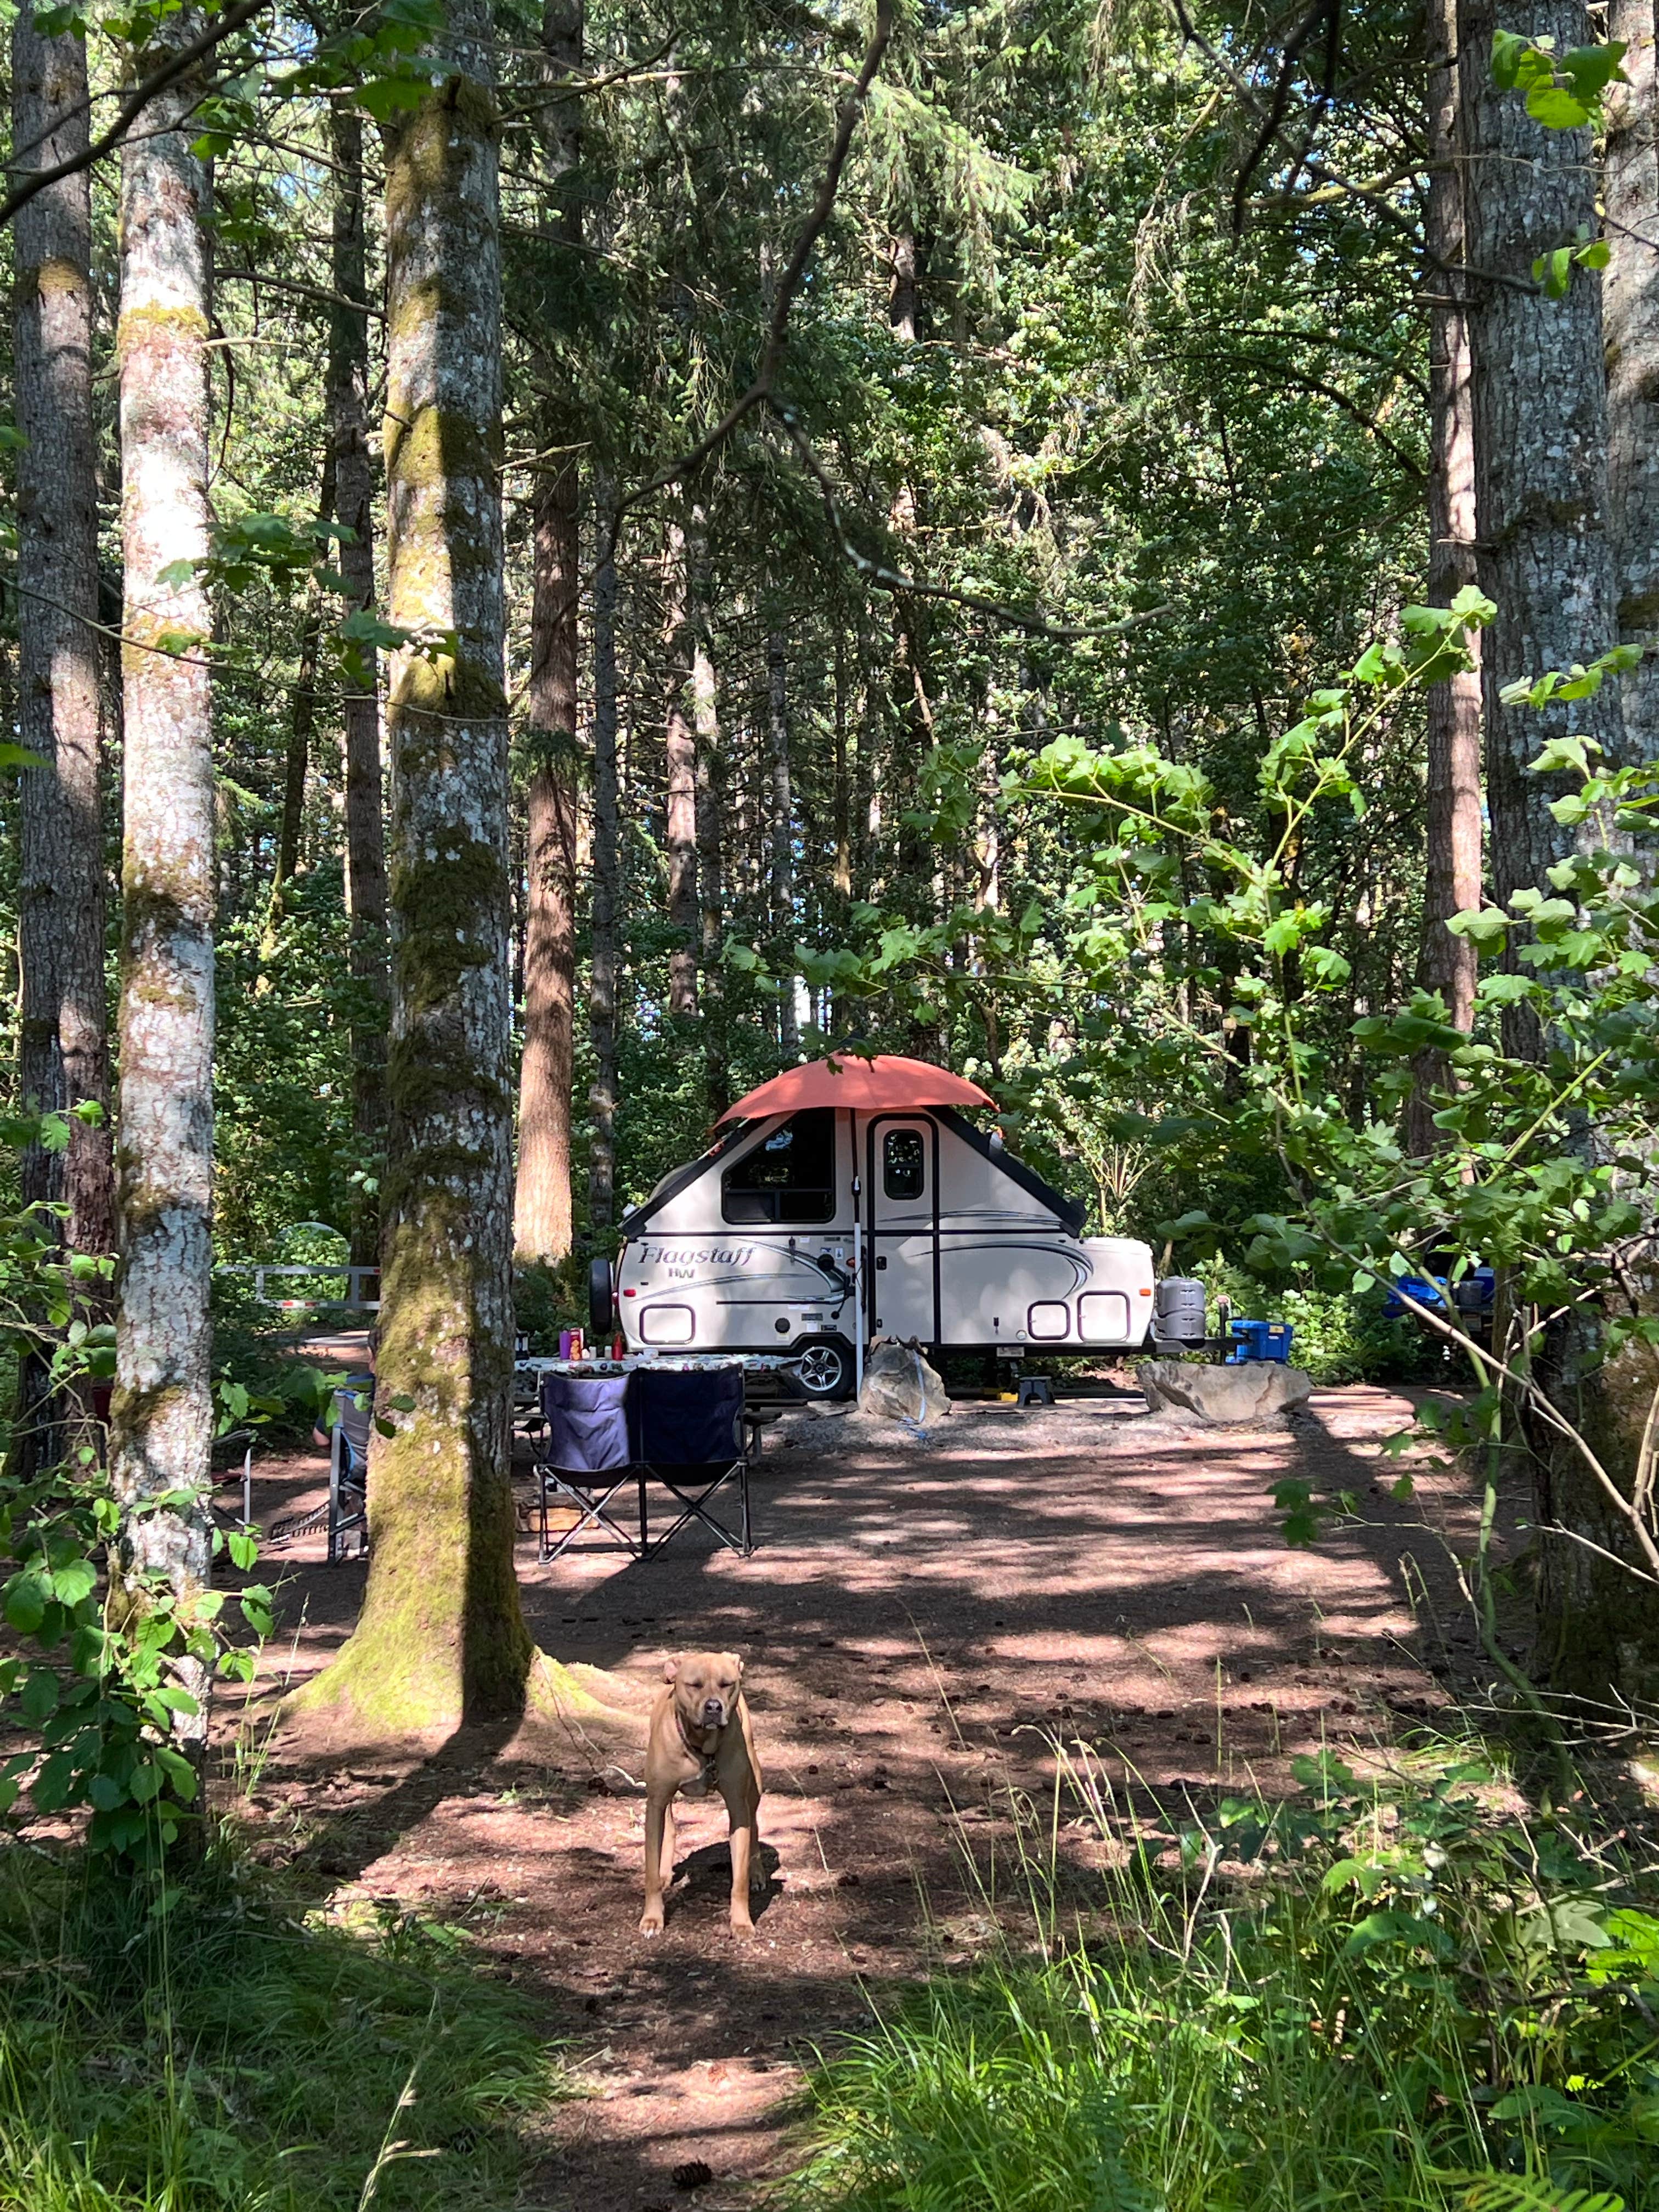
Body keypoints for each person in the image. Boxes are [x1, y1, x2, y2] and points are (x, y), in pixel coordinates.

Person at [313, 1330, 376, 1476]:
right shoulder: (422, 1394)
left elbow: (321, 1439)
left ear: (371, 1355)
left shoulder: (346, 1390)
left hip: (360, 1471)